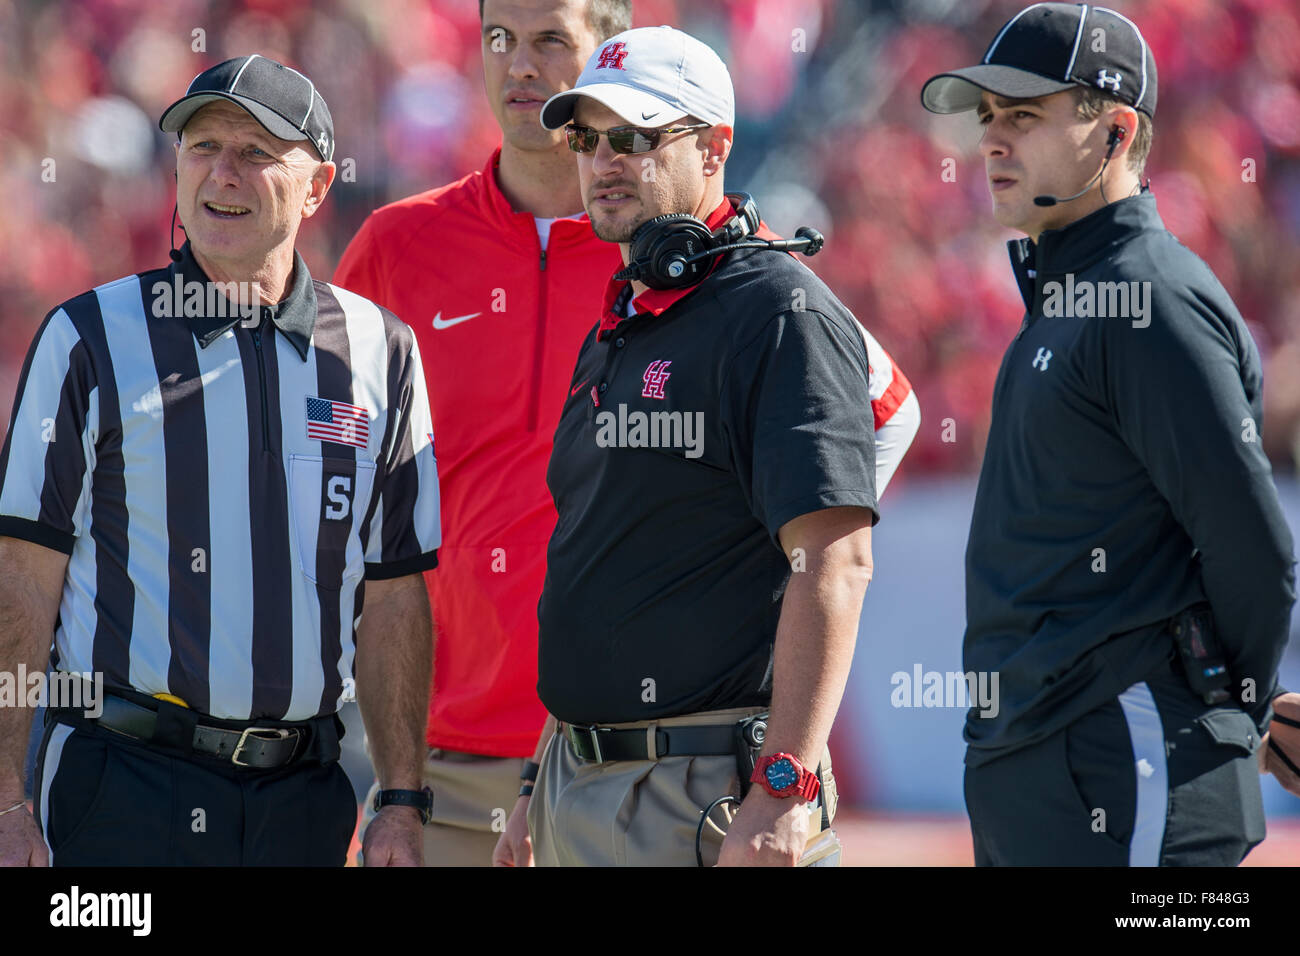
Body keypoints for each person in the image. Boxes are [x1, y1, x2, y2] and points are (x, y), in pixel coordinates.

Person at [0, 54, 441, 867]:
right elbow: (21, 578)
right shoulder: (88, 337)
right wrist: (5, 802)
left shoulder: (383, 352)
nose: (222, 174)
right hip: (121, 784)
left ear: (316, 188)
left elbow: (393, 594)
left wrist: (402, 799)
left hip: (303, 796)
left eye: (255, 152)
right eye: (202, 147)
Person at [495, 24, 918, 867]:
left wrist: (788, 786)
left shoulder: (774, 308)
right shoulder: (625, 317)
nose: (605, 159)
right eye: (589, 137)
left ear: (718, 146)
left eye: (640, 137)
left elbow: (836, 561)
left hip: (704, 798)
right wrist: (538, 782)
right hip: (583, 784)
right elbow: (600, 564)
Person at [921, 2, 1300, 865]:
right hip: (1057, 769)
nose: (992, 140)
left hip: (1126, 763)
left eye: (1023, 113)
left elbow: (1253, 547)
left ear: (1117, 130)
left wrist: (1235, 708)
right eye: (986, 118)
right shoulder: (1070, 296)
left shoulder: (1149, 300)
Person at [333, 0, 628, 866]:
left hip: (625, 761)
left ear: (609, 59)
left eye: (549, 41)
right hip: (432, 768)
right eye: (500, 40)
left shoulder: (672, 248)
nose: (519, 66)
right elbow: (324, 470)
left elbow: (881, 411)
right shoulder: (397, 244)